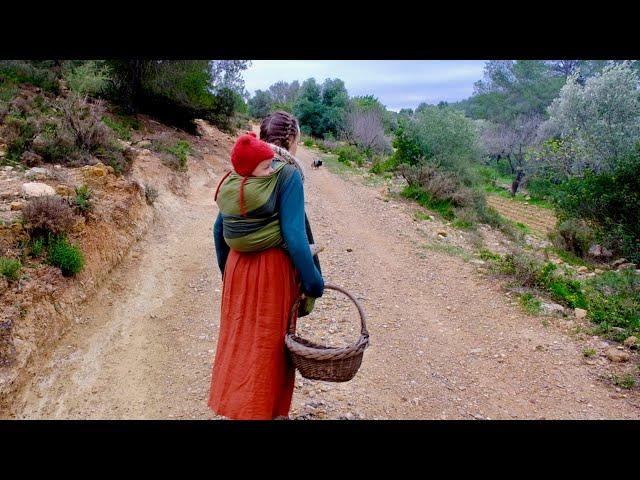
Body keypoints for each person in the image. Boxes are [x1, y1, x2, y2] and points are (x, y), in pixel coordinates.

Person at [208, 111, 324, 420]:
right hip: (272, 273)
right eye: (297, 140)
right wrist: (315, 284)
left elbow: (220, 229)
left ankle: (238, 409)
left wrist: (227, 272)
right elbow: (296, 239)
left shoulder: (246, 167)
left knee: (241, 342)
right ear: (290, 140)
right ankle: (265, 412)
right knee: (270, 349)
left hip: (237, 267)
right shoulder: (287, 173)